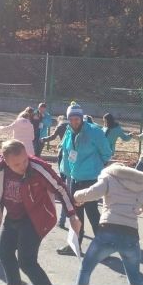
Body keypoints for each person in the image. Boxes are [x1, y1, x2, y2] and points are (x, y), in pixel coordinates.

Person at [0, 139, 81, 285]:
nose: (23, 166)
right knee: (4, 253)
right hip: (12, 216)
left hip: (35, 218)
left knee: (27, 262)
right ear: (6, 161)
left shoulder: (38, 168)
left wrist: (72, 215)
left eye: (25, 160)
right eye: (17, 164)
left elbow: (60, 188)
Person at [73, 163, 143, 285]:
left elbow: (91, 193)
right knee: (135, 278)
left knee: (85, 269)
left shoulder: (109, 178)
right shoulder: (141, 187)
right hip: (131, 236)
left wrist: (76, 196)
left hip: (107, 231)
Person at [57, 102, 112, 255]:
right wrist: (65, 173)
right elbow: (66, 153)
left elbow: (106, 153)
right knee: (75, 214)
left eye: (77, 118)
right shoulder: (68, 131)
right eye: (71, 119)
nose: (74, 122)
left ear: (81, 118)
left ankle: (103, 248)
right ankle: (74, 245)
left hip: (90, 179)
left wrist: (96, 168)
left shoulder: (94, 131)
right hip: (74, 178)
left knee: (92, 213)